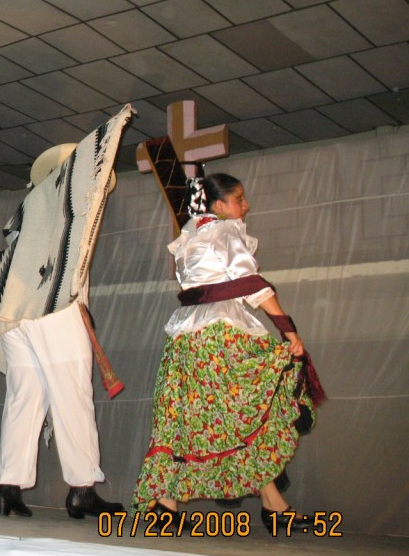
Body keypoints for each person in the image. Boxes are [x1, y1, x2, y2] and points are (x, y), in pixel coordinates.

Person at [132, 173, 325, 533]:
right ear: (219, 206)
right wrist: (287, 327)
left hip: (184, 340)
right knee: (243, 415)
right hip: (219, 336)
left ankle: (167, 505)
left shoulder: (189, 236)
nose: (245, 205)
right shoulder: (224, 231)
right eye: (239, 199)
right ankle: (272, 507)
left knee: (190, 419)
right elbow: (251, 283)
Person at [0, 105, 133, 520]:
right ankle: (82, 488)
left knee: (24, 398)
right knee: (72, 396)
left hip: (13, 317)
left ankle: (8, 487)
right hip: (52, 314)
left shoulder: (29, 211)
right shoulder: (67, 210)